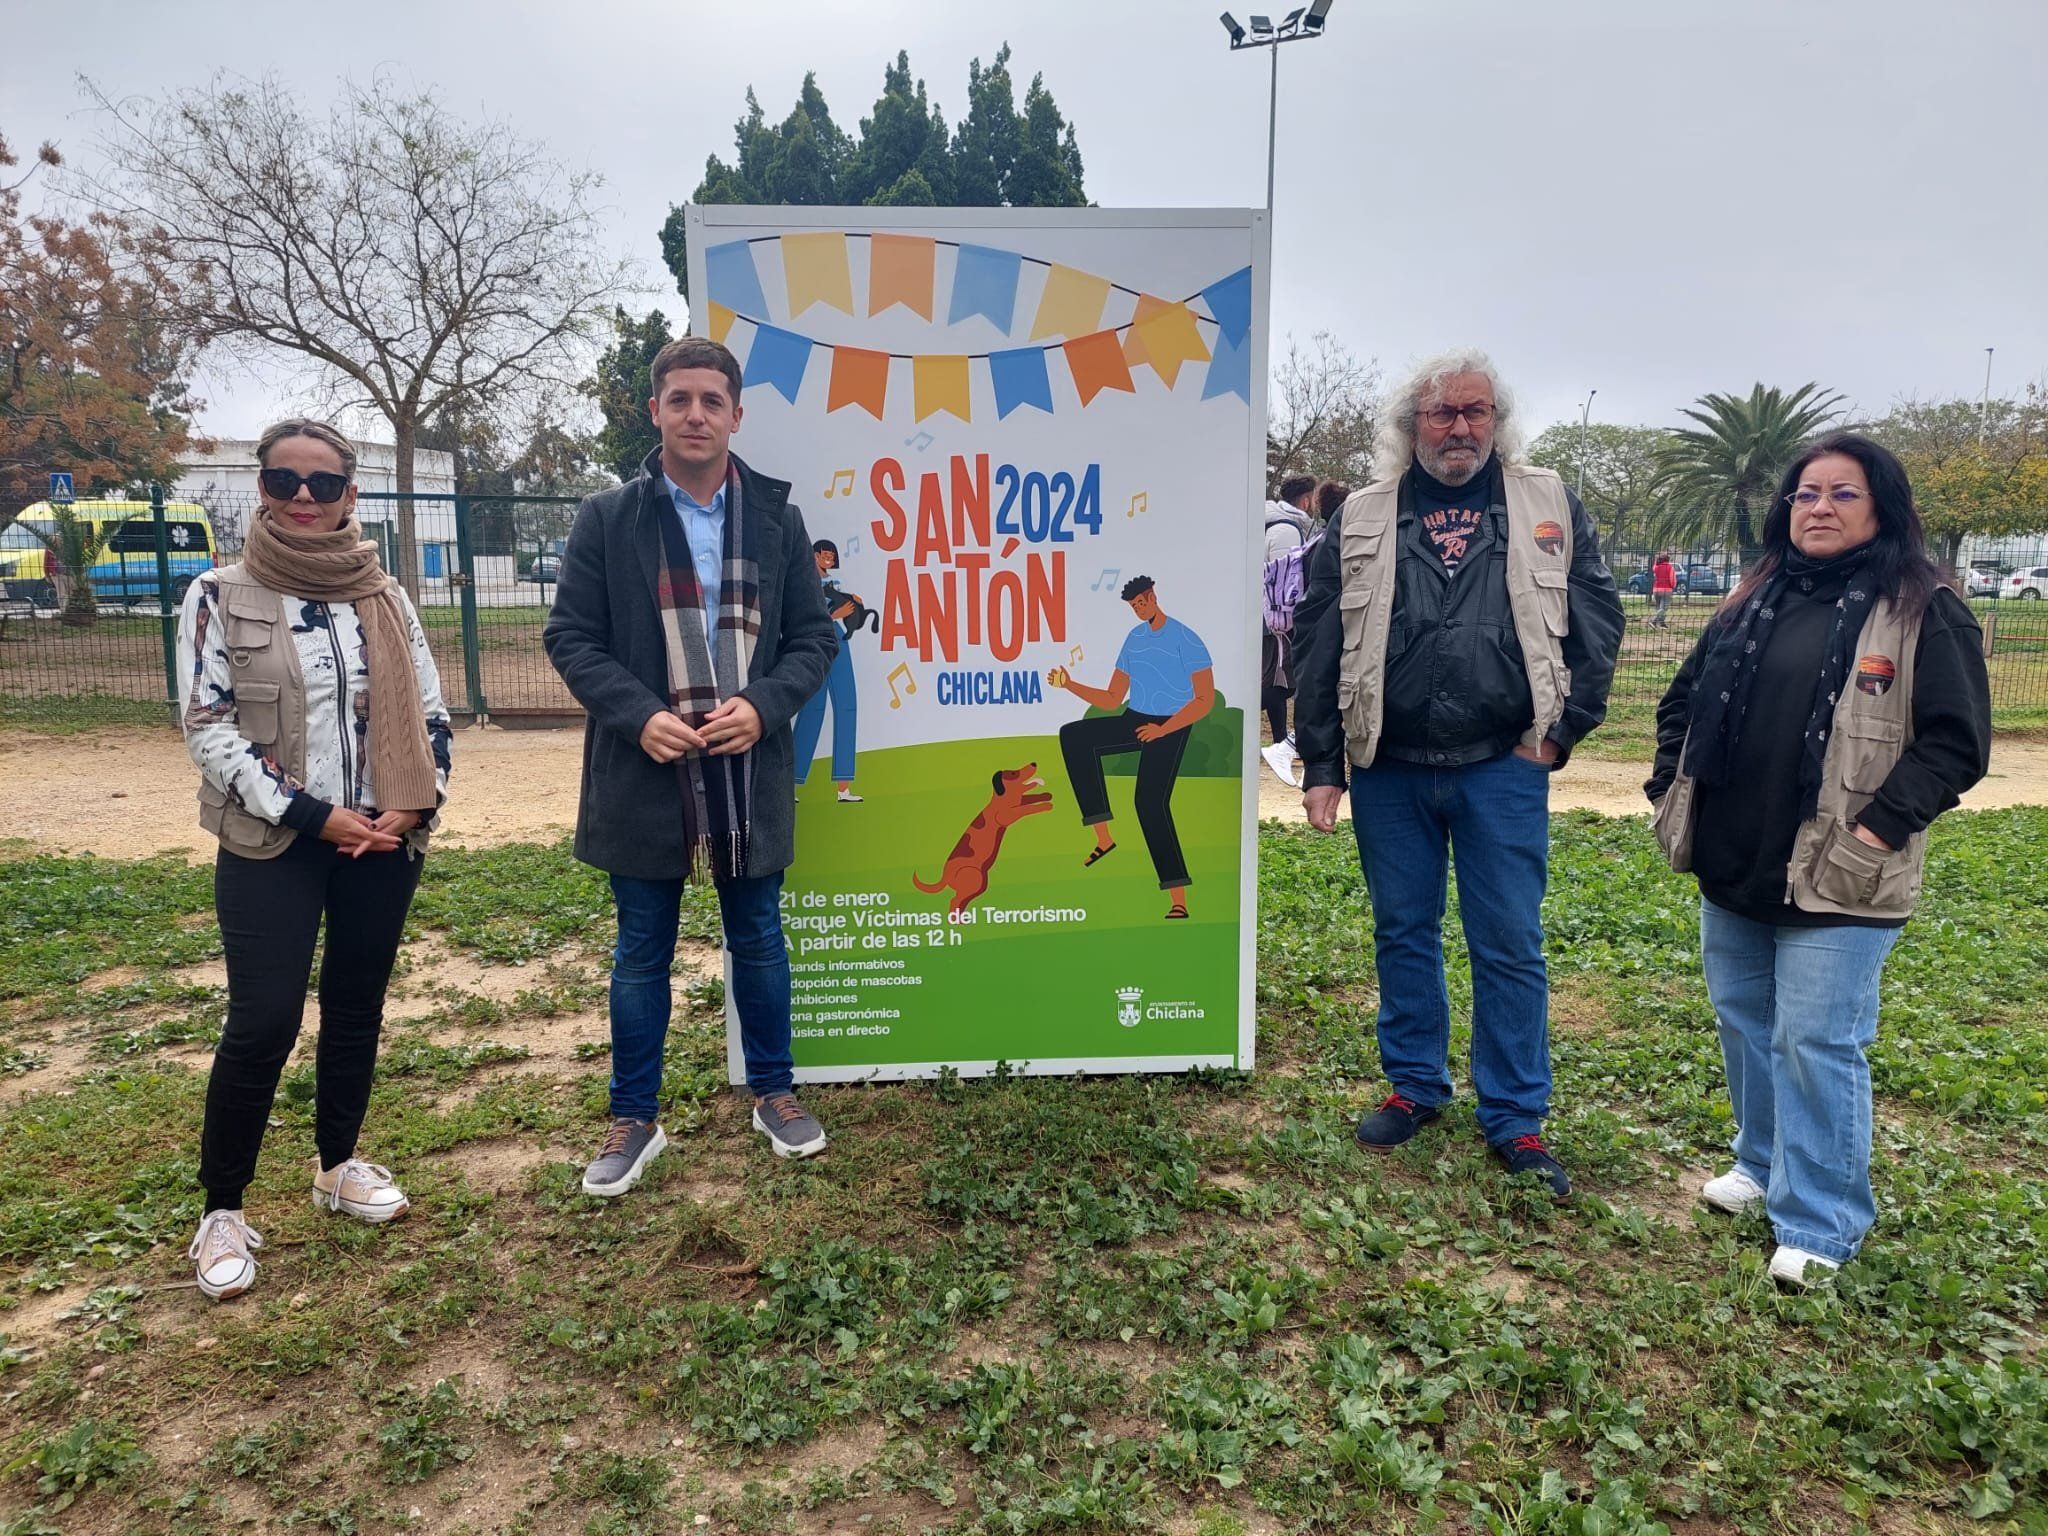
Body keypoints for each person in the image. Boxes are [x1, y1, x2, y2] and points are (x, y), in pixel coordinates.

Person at [1646, 433, 1989, 1287]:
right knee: (1747, 1025)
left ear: (1881, 508)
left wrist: (1878, 828)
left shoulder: (1922, 608)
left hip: (1841, 874)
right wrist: (1668, 786)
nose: (1820, 509)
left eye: (1842, 494)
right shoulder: (1750, 598)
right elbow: (1683, 698)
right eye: (1806, 494)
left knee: (1817, 1040)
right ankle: (1761, 1166)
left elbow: (1956, 742)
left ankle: (1822, 1226)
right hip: (1737, 861)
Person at [1292, 350, 1624, 1197]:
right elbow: (1319, 637)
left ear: (1496, 422)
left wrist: (1562, 732)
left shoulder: (1547, 503)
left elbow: (1597, 618)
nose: (1460, 428)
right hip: (1389, 770)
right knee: (1403, 931)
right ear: (1410, 428)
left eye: (1476, 412)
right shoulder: (1363, 515)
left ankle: (1515, 1117)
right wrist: (1323, 762)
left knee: (1508, 943)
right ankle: (1414, 1085)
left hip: (1501, 769)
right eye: (1441, 414)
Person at [544, 336, 839, 1191]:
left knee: (758, 937)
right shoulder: (609, 518)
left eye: (713, 401)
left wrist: (764, 705)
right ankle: (634, 1117)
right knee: (642, 950)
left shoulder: (777, 519)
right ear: (656, 412)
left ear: (736, 415)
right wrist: (640, 717)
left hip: (749, 768)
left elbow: (815, 639)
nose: (697, 415)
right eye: (681, 400)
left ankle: (774, 1093)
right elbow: (570, 638)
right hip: (646, 771)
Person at [177, 418, 453, 1301]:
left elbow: (433, 715)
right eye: (285, 481)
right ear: (262, 487)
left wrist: (415, 802)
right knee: (263, 1020)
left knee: (355, 1006)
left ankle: (338, 1164)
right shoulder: (220, 593)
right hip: (275, 841)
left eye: (323, 484)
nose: (303, 498)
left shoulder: (387, 596)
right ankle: (222, 1208)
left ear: (349, 495)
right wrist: (314, 815)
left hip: (384, 836)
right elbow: (209, 728)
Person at [1052, 576, 1215, 920]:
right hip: (1136, 716)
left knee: (1148, 803)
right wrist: (1069, 684)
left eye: (1141, 603)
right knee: (1074, 736)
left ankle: (1178, 899)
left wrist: (1163, 730)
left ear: (1153, 596)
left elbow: (1204, 700)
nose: (1138, 610)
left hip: (1172, 722)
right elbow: (1112, 699)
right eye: (1133, 607)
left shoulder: (1185, 638)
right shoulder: (1134, 639)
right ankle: (1103, 836)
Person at [794, 539, 862, 803]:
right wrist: (834, 614)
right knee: (812, 709)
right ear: (814, 556)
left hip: (838, 639)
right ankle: (792, 784)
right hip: (814, 639)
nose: (828, 560)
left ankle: (844, 788)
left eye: (831, 557)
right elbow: (804, 614)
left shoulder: (834, 582)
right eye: (824, 555)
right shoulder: (802, 580)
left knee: (847, 706)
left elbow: (841, 607)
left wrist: (851, 604)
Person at [1260, 475, 1317, 785]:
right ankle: (1284, 746)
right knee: (1280, 682)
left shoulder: (1270, 522)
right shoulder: (1287, 529)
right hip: (1277, 621)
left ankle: (1284, 744)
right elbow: (1286, 581)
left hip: (1267, 619)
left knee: (1279, 681)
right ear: (1306, 501)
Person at [1650, 550, 1677, 629]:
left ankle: (1662, 623)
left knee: (1658, 607)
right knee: (1663, 608)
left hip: (1656, 589)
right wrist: (1673, 586)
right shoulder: (1669, 567)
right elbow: (1672, 579)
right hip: (1666, 589)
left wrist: (1656, 559)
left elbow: (1654, 566)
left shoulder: (1656, 567)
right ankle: (1653, 621)